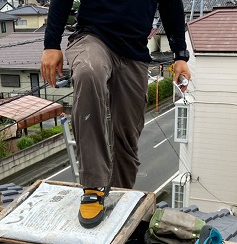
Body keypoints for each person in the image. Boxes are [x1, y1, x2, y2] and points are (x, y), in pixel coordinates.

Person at [41, 0, 191, 228]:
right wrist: (51, 44)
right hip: (92, 38)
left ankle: (120, 197)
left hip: (134, 52)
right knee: (89, 74)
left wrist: (180, 54)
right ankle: (93, 185)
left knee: (127, 134)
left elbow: (171, 6)